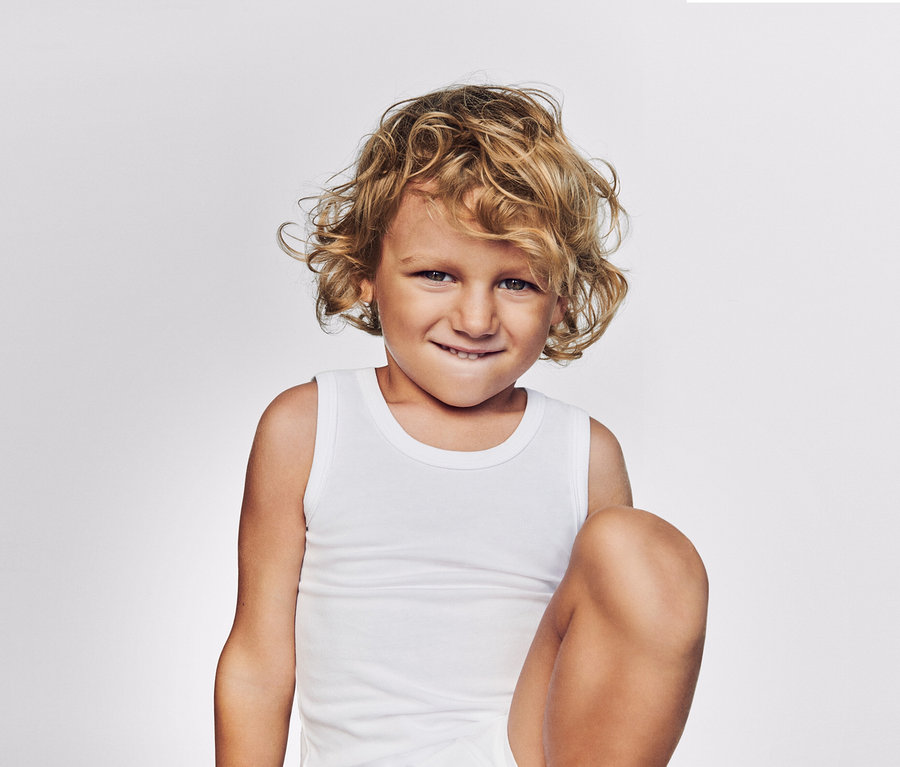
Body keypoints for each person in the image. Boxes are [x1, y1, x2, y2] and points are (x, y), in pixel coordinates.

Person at [214, 84, 708, 767]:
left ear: (562, 297)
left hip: (524, 752)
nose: (476, 320)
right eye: (438, 274)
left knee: (643, 552)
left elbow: (610, 660)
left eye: (516, 283)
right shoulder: (307, 427)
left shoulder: (582, 453)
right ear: (365, 273)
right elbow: (258, 658)